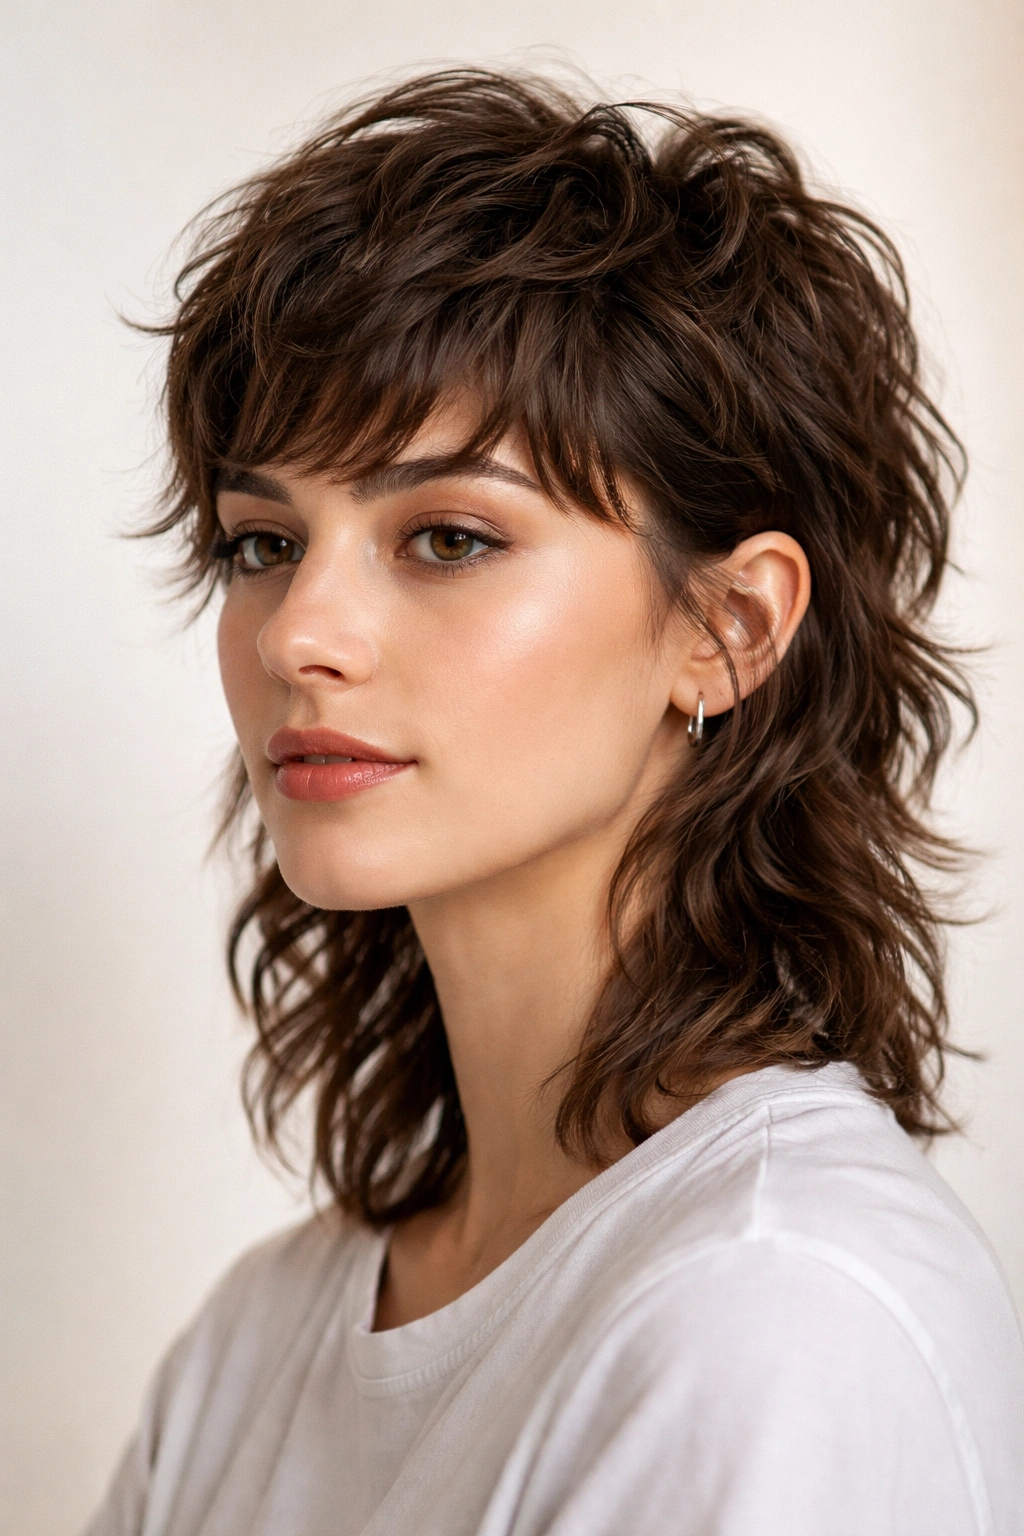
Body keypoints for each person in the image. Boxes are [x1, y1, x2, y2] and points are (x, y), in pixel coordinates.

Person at [85, 68, 1024, 1536]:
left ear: (728, 628)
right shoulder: (257, 1344)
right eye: (262, 540)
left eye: (447, 537)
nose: (296, 635)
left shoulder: (777, 1322)